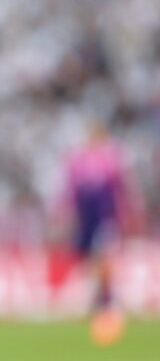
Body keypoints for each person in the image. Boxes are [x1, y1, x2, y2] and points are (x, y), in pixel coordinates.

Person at [53, 121, 145, 346]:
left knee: (103, 258)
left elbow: (124, 189)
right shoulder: (78, 160)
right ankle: (103, 303)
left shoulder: (112, 158)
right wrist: (65, 214)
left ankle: (107, 303)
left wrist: (130, 213)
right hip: (87, 221)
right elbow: (70, 192)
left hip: (106, 218)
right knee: (92, 262)